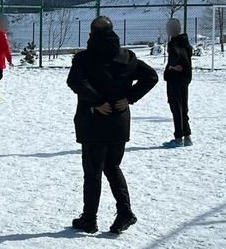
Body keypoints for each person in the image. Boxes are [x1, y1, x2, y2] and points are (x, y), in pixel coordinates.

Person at [67, 17, 159, 234]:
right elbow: (151, 76)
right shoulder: (127, 56)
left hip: (93, 122)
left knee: (92, 172)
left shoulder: (84, 59)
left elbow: (75, 81)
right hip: (118, 120)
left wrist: (96, 102)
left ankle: (89, 218)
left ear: (91, 33)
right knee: (112, 167)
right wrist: (130, 98)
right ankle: (124, 212)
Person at [162, 18, 193, 148]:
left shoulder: (175, 43)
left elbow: (179, 59)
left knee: (177, 108)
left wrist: (173, 66)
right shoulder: (185, 42)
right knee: (183, 108)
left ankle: (179, 137)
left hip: (176, 79)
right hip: (184, 79)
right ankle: (187, 136)